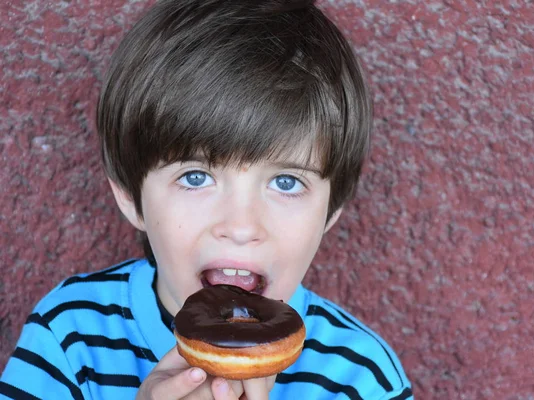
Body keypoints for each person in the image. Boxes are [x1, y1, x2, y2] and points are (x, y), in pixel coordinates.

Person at [0, 0, 413, 399]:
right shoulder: (69, 337)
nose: (241, 226)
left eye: (286, 182)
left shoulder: (361, 378)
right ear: (130, 196)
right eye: (195, 177)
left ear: (331, 210)